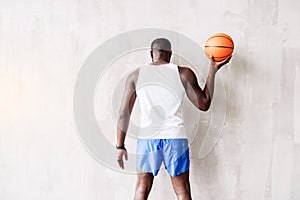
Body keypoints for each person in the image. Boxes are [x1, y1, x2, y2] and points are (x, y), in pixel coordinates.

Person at [116, 38, 231, 200]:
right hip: (175, 138)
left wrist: (120, 146)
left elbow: (123, 114)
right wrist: (213, 70)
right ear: (170, 54)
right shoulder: (183, 73)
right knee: (182, 191)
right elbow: (204, 104)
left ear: (151, 54)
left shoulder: (135, 75)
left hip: (147, 140)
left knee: (142, 189)